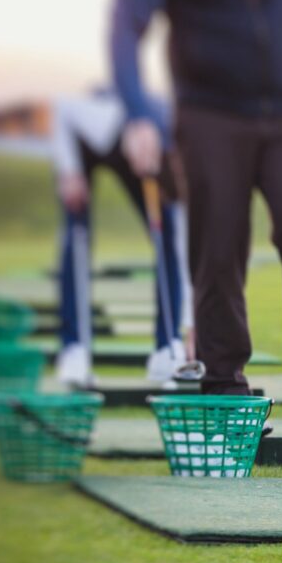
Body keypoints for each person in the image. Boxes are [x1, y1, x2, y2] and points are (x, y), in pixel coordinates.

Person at [110, 0, 282, 429]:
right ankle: (225, 385)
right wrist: (137, 114)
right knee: (218, 241)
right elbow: (126, 25)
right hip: (209, 114)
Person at [51, 88, 188, 388]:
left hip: (144, 154)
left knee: (168, 235)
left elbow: (184, 249)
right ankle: (75, 349)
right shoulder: (99, 117)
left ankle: (167, 346)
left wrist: (189, 326)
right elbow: (63, 108)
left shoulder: (180, 143)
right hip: (88, 143)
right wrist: (70, 171)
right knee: (76, 237)